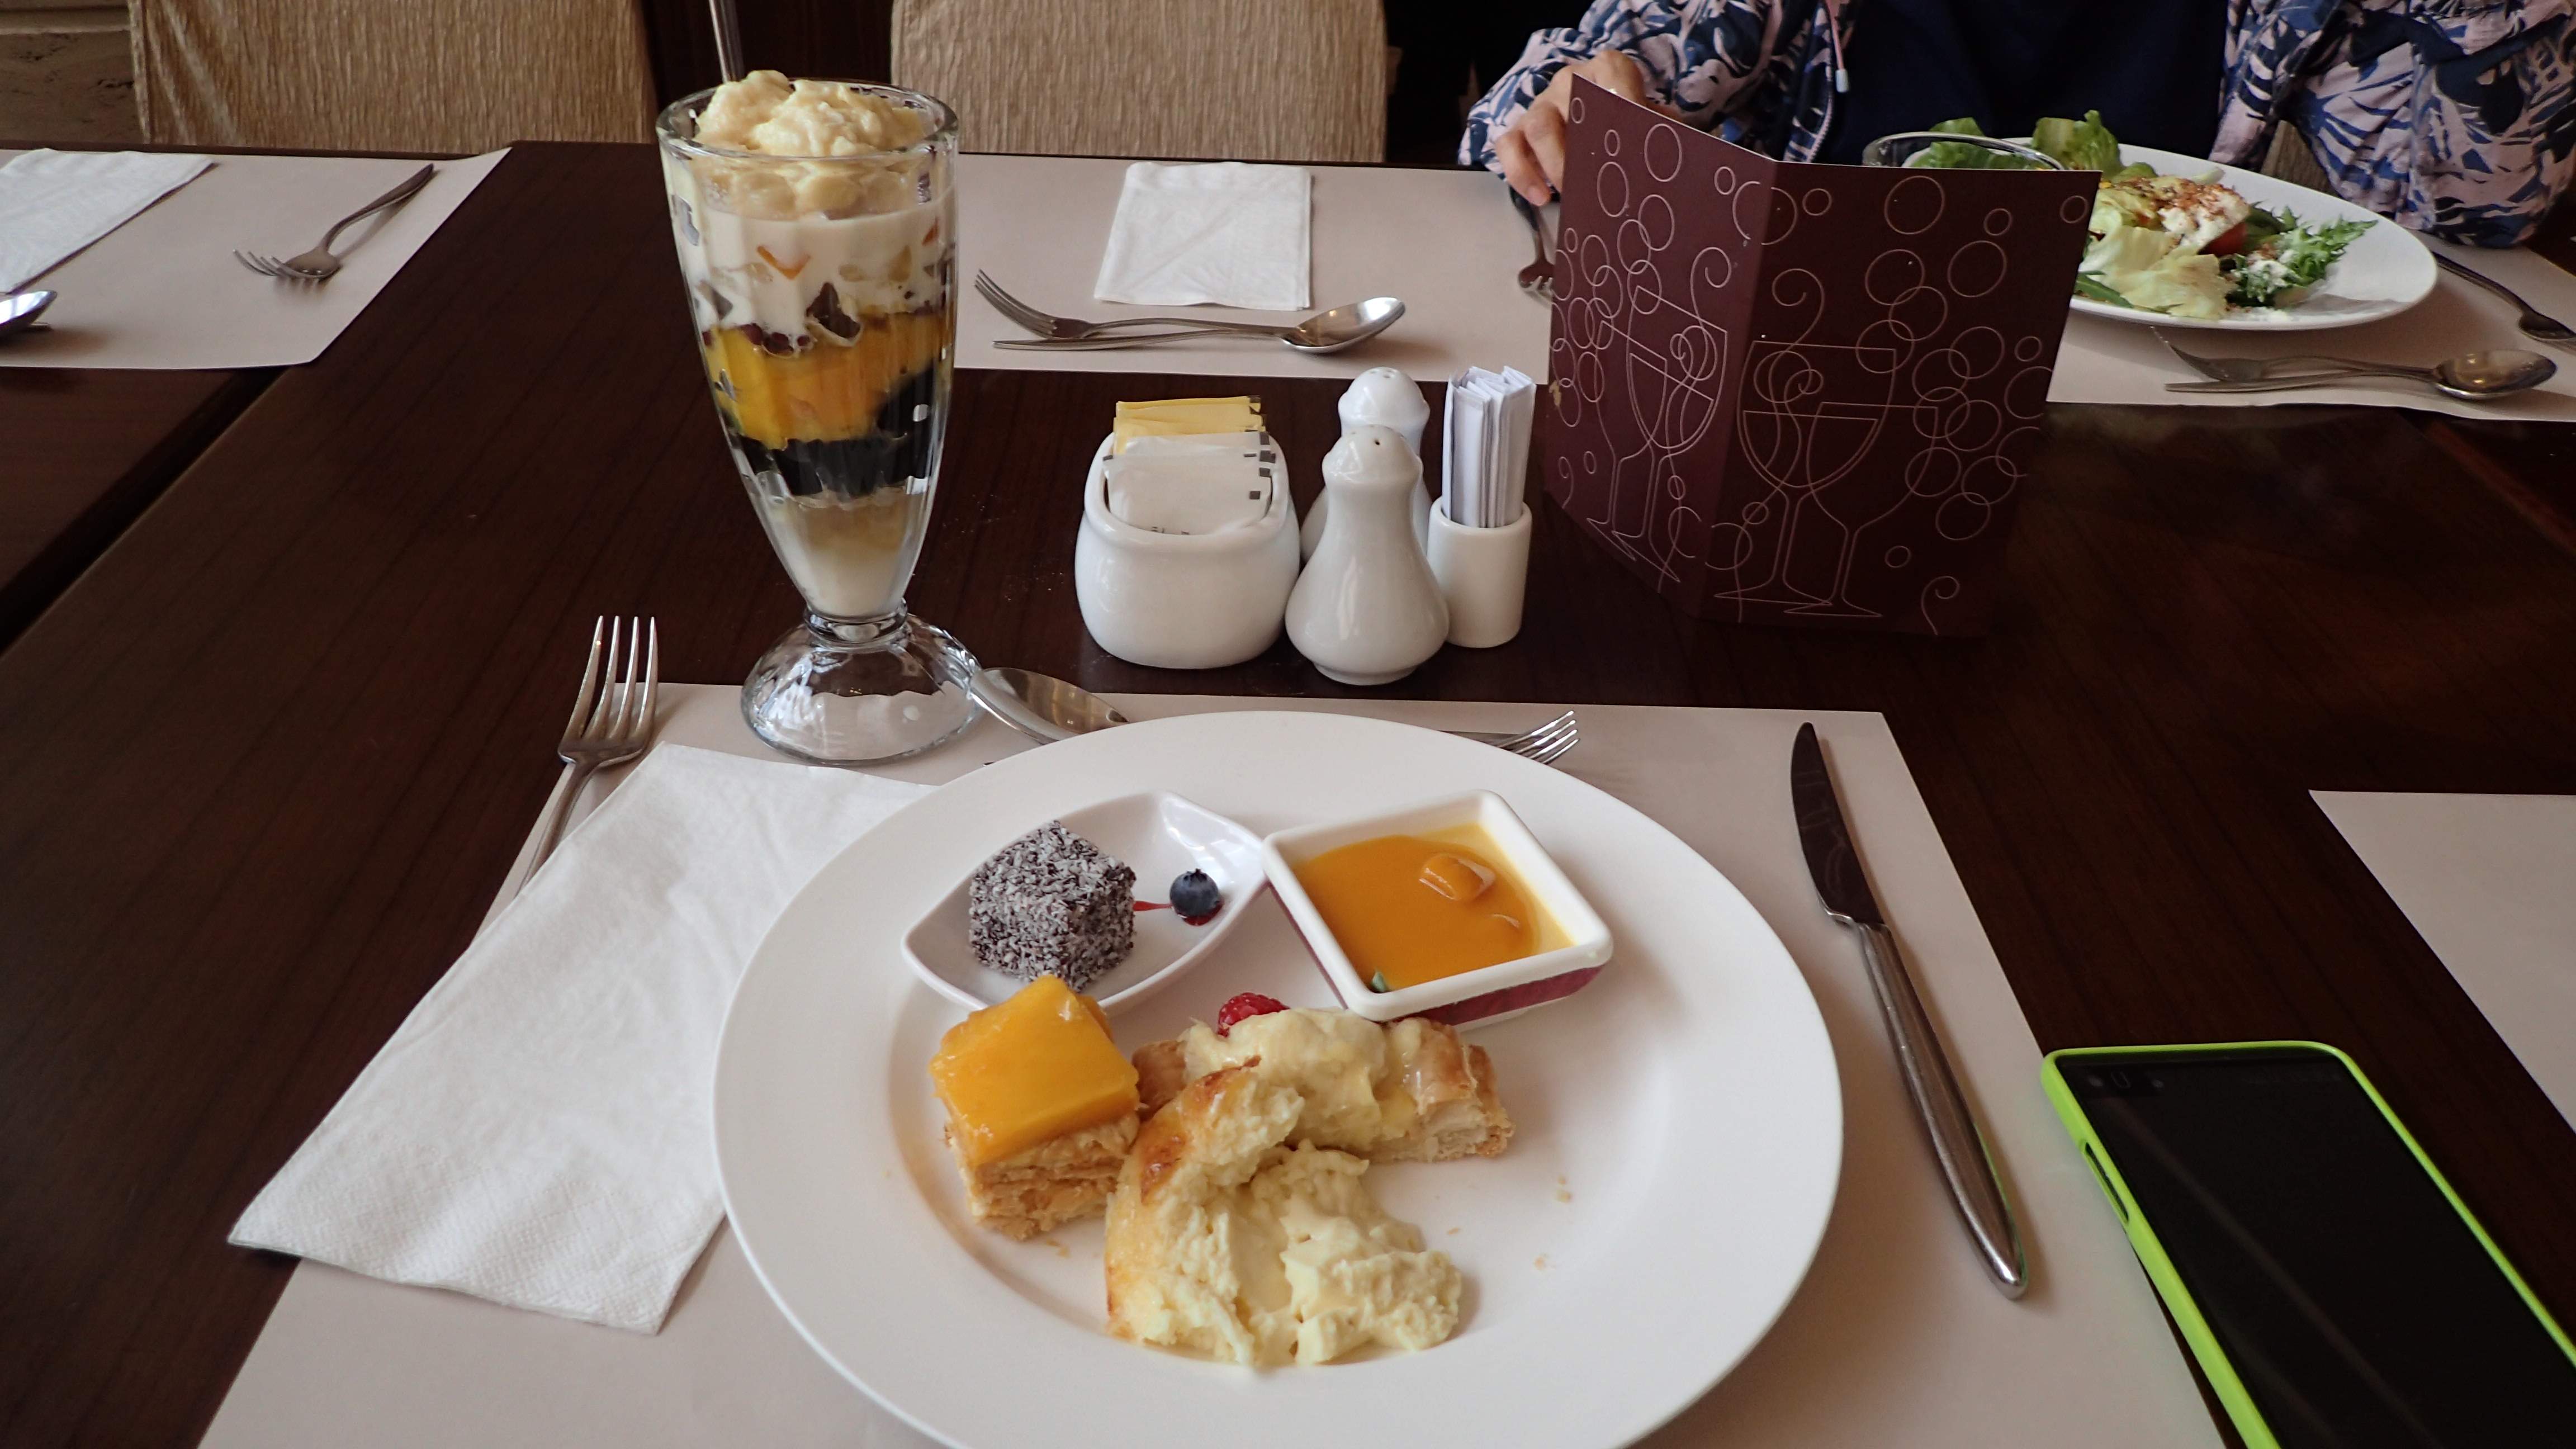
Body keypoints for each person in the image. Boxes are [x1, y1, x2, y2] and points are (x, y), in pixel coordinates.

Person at [1464, 0, 2575, 247]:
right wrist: (1574, 107)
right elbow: (1522, 115)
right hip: (1806, 395)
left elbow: (2472, 207)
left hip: (2153, 439)